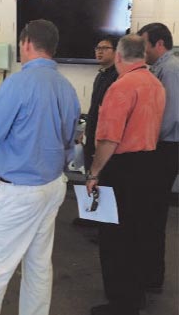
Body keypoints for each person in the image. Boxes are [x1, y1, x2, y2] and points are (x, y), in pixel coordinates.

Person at [0, 19, 80, 315]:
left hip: (18, 194)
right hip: (53, 186)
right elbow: (70, 139)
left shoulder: (18, 83)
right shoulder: (67, 88)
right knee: (38, 266)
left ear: (26, 43)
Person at [86, 34, 165, 315]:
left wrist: (93, 172)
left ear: (118, 56)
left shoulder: (121, 87)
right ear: (143, 55)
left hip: (122, 169)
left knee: (114, 238)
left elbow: (109, 140)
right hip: (149, 164)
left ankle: (121, 303)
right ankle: (135, 294)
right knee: (137, 232)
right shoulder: (155, 83)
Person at [137, 22, 179, 292]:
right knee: (151, 212)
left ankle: (152, 277)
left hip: (165, 148)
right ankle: (150, 274)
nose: (143, 51)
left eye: (145, 45)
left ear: (159, 44)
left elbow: (170, 114)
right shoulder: (163, 68)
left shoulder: (170, 70)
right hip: (164, 147)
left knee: (153, 213)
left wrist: (147, 141)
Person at [73, 35, 119, 226]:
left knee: (103, 177)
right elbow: (94, 108)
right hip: (92, 134)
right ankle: (91, 215)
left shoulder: (117, 77)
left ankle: (103, 222)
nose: (99, 51)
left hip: (105, 137)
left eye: (105, 48)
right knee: (90, 175)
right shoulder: (100, 75)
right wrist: (86, 131)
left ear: (116, 52)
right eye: (97, 48)